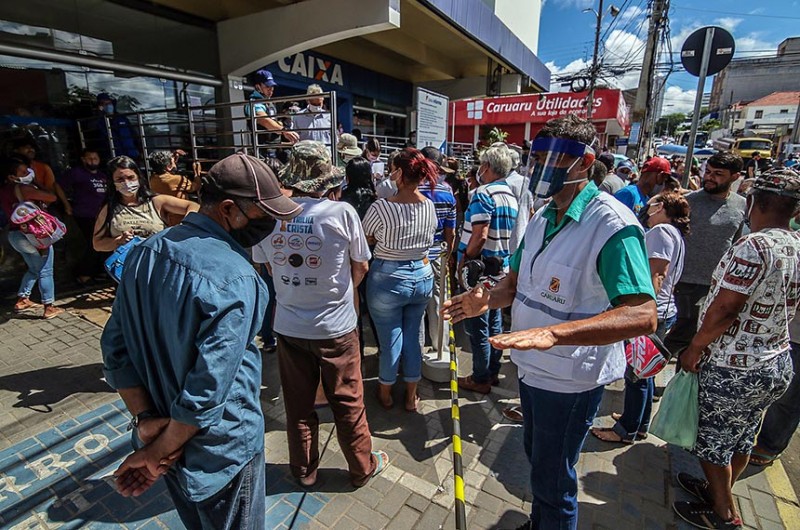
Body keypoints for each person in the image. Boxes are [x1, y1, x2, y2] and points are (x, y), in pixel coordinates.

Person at [442, 115, 657, 530]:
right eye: (534, 157)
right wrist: (485, 299)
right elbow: (516, 282)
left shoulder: (612, 225)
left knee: (554, 476)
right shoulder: (542, 216)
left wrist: (554, 333)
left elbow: (642, 314)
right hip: (533, 371)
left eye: (551, 158)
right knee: (537, 460)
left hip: (571, 379)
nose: (537, 168)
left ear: (584, 162)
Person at [101, 152, 301, 529]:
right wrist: (159, 449)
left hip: (164, 435)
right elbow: (207, 387)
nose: (271, 224)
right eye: (264, 214)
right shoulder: (237, 277)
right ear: (229, 209)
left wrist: (147, 426)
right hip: (218, 451)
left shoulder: (144, 253)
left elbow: (115, 349)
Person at [253, 140, 388, 488]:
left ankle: (304, 472)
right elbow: (361, 265)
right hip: (336, 328)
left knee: (298, 405)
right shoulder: (341, 212)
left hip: (288, 326)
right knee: (348, 402)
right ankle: (361, 467)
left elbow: (266, 266)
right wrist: (344, 294)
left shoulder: (271, 216)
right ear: (327, 178)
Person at [673, 168, 800, 530]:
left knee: (712, 440)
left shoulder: (753, 246)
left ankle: (724, 513)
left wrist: (695, 348)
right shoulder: (797, 245)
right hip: (775, 362)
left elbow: (726, 308)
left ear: (754, 202)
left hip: (734, 366)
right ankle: (719, 489)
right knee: (743, 434)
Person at [591, 191, 689, 444]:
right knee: (643, 372)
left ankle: (627, 430)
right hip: (664, 309)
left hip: (655, 310)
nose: (648, 207)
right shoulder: (671, 233)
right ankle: (637, 422)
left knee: (636, 374)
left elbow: (656, 274)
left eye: (653, 204)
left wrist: (640, 310)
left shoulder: (661, 232)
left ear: (662, 208)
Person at [363, 148, 437, 411]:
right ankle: (411, 395)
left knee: (390, 339)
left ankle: (385, 392)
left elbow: (366, 236)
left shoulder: (382, 206)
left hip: (388, 278)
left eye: (393, 168)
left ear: (400, 173)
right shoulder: (428, 205)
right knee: (414, 337)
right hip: (422, 276)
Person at [664, 151, 747, 356]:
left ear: (735, 177)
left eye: (718, 174)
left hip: (716, 285)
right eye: (708, 172)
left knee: (699, 342)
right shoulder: (689, 202)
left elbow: (736, 243)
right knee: (676, 338)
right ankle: (642, 375)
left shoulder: (742, 205)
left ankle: (680, 385)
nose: (709, 177)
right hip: (684, 282)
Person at [456, 144, 519, 394]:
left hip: (479, 271)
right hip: (500, 268)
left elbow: (479, 236)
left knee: (477, 326)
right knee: (494, 323)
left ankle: (480, 377)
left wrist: (464, 260)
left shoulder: (483, 194)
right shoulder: (510, 195)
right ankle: (491, 372)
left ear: (488, 167)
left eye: (482, 164)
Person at [0, 158, 64, 319]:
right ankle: (49, 306)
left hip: (14, 235)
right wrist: (36, 183)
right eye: (22, 172)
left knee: (34, 268)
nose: (27, 173)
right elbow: (52, 197)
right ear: (11, 176)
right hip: (34, 235)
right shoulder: (24, 189)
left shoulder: (3, 191)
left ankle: (23, 299)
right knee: (45, 270)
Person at [93, 156, 199, 252]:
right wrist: (119, 241)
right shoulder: (109, 209)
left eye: (130, 177)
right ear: (112, 183)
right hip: (129, 269)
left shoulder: (156, 201)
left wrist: (185, 226)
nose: (126, 183)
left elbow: (193, 206)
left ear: (138, 177)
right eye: (120, 179)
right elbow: (97, 244)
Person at [749, 310, 800, 466]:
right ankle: (744, 438)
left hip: (795, 336)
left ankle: (770, 446)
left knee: (788, 398)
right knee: (755, 387)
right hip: (776, 328)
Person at [419, 147, 457, 353]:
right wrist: (448, 254)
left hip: (415, 255)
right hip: (437, 254)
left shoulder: (411, 189)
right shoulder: (447, 192)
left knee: (415, 306)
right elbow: (450, 231)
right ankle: (438, 345)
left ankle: (415, 351)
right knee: (437, 302)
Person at [341, 156, 379, 356]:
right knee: (374, 308)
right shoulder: (376, 199)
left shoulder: (341, 199)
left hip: (347, 259)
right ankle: (381, 347)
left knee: (353, 307)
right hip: (373, 259)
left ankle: (357, 350)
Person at [60, 148, 108, 284]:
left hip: (101, 214)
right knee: (94, 243)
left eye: (95, 158)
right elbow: (57, 186)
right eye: (89, 158)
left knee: (101, 244)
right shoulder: (77, 173)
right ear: (83, 159)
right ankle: (84, 274)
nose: (93, 161)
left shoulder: (102, 175)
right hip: (85, 214)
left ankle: (98, 272)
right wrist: (66, 205)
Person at [244, 69, 299, 157]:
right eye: (267, 86)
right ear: (258, 87)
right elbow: (265, 121)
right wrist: (284, 131)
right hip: (262, 153)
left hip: (275, 150)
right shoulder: (254, 103)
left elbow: (273, 125)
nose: (271, 89)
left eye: (272, 86)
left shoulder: (269, 103)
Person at [11, 137, 71, 215]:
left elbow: (52, 189)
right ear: (16, 151)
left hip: (45, 209)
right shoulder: (14, 177)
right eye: (26, 148)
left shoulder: (43, 167)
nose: (31, 150)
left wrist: (43, 208)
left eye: (32, 148)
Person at [148, 150, 201, 226]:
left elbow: (168, 176)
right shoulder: (177, 180)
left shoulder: (152, 179)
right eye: (173, 161)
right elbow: (195, 186)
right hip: (181, 218)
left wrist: (173, 159)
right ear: (168, 167)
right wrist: (197, 173)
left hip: (167, 220)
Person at [91, 93, 140, 161]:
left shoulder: (122, 118)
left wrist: (140, 150)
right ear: (100, 106)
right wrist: (100, 114)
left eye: (109, 103)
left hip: (131, 155)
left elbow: (134, 135)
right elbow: (94, 130)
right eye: (104, 104)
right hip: (114, 158)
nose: (108, 106)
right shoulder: (99, 122)